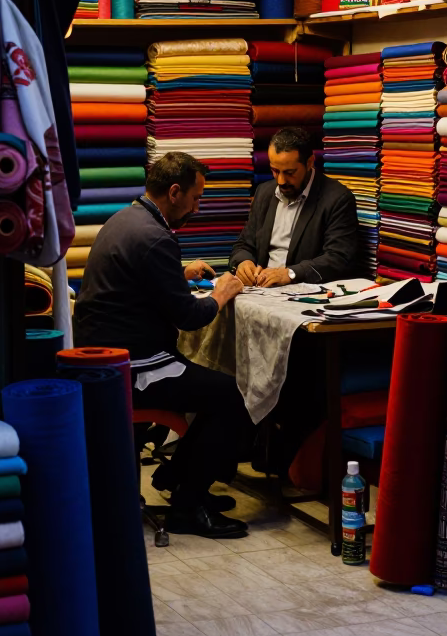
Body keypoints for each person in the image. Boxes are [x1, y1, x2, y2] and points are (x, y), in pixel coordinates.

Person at [73, 151, 252, 539]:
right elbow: (189, 316)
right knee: (230, 395)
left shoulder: (125, 219)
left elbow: (138, 277)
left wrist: (177, 271)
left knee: (214, 387)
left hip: (106, 356)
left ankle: (179, 479)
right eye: (196, 198)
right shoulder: (155, 237)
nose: (197, 207)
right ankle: (189, 505)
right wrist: (221, 293)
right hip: (132, 364)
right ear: (174, 192)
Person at [229, 126, 359, 287]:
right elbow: (244, 244)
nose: (281, 181)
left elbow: (339, 258)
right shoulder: (264, 192)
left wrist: (291, 273)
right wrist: (243, 262)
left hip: (304, 291)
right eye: (275, 171)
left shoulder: (337, 199)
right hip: (261, 289)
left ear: (310, 162)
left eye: (290, 172)